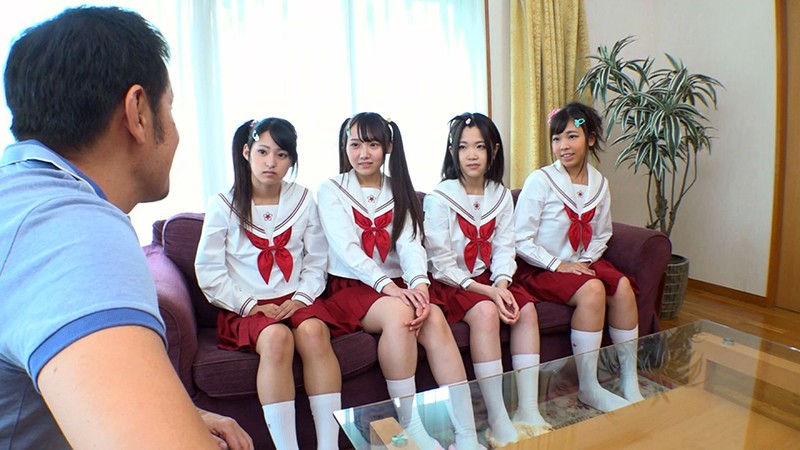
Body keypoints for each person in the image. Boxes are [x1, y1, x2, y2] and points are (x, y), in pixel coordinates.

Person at [0, 6, 252, 449]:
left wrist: (175, 415)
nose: (175, 131)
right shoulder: (73, 229)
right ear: (138, 112)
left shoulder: (21, 200)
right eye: (169, 108)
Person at [316, 112, 482, 450]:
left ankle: (467, 435)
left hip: (397, 286)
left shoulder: (399, 188)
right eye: (355, 145)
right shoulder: (331, 189)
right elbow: (347, 250)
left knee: (434, 316)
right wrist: (391, 288)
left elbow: (409, 243)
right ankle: (412, 429)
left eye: (372, 145)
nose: (363, 154)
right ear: (344, 147)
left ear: (388, 146)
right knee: (401, 314)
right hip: (353, 287)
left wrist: (419, 286)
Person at [195, 118, 343, 450]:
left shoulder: (302, 199)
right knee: (277, 338)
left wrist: (302, 297)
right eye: (262, 152)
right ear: (246, 152)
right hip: (246, 306)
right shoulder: (222, 204)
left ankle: (329, 445)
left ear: (292, 159)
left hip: (297, 300)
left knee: (314, 332)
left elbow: (317, 259)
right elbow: (208, 270)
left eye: (281, 154)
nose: (271, 162)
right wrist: (250, 306)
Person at [423, 113, 552, 446]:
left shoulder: (501, 195)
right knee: (485, 312)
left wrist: (502, 284)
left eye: (480, 147)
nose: (472, 155)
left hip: (491, 279)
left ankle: (527, 409)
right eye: (463, 147)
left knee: (526, 310)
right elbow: (440, 264)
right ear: (453, 152)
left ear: (493, 150)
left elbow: (505, 247)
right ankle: (497, 415)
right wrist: (488, 293)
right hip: (454, 282)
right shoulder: (440, 198)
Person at [513, 102, 645, 413]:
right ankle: (589, 386)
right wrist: (559, 265)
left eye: (572, 136)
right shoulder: (541, 181)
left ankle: (629, 379)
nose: (563, 146)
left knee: (623, 287)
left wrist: (585, 262)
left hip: (581, 261)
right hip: (541, 266)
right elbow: (520, 239)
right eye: (556, 138)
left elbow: (602, 233)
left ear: (591, 138)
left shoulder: (600, 184)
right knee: (593, 289)